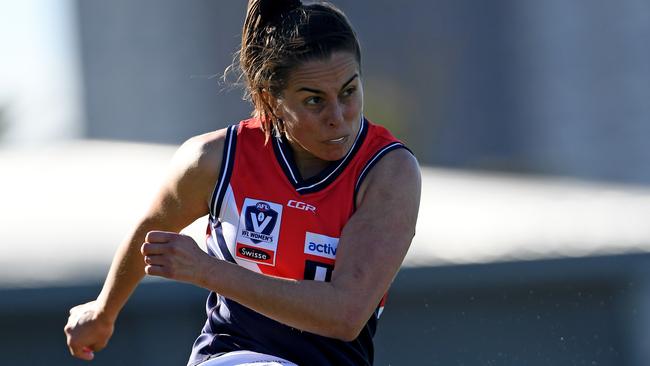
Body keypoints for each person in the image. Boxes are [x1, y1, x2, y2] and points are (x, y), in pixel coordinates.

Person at [64, 0, 421, 365]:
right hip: (229, 356)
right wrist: (104, 310)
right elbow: (151, 229)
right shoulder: (214, 159)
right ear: (271, 100)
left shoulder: (388, 171)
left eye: (349, 92)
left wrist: (206, 270)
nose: (338, 119)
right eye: (314, 101)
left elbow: (345, 315)